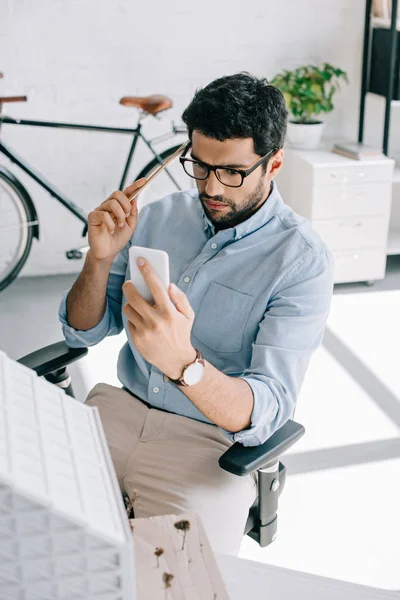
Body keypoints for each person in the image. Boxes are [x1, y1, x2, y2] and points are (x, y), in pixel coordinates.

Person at [59, 72, 334, 554]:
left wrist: (183, 364)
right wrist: (98, 258)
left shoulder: (302, 260)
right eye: (199, 165)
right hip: (116, 414)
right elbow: (83, 331)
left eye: (232, 172)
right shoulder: (162, 215)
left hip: (208, 448)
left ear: (275, 164)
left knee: (172, 581)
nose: (211, 186)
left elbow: (268, 409)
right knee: (29, 539)